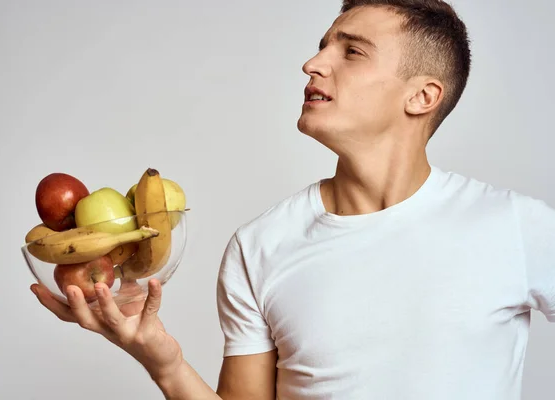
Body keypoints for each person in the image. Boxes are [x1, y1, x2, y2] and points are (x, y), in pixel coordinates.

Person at [30, 0, 555, 399]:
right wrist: (162, 364)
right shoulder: (260, 246)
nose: (312, 63)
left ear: (422, 96)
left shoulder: (515, 227)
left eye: (351, 51)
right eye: (323, 44)